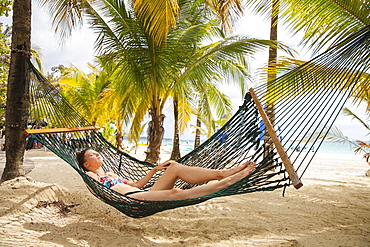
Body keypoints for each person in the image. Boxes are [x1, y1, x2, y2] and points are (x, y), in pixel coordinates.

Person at [76, 148, 256, 201]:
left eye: (97, 152)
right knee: (175, 192)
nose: (97, 154)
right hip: (131, 200)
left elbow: (138, 185)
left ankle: (223, 174)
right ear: (86, 164)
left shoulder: (110, 173)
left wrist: (154, 170)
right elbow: (98, 191)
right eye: (92, 155)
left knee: (175, 167)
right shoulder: (92, 177)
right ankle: (228, 181)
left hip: (140, 193)